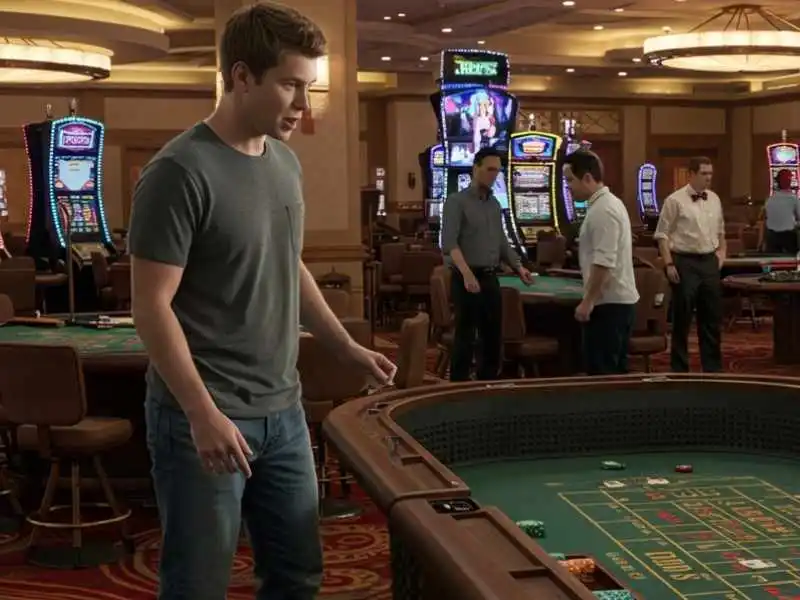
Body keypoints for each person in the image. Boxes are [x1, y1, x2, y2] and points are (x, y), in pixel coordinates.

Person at [127, 4, 397, 600]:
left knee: (298, 575)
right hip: (205, 413)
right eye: (291, 85)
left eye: (309, 86)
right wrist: (201, 413)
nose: (304, 102)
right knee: (198, 585)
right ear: (242, 76)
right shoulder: (177, 171)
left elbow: (287, 263)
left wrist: (344, 346)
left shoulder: (284, 162)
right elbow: (151, 306)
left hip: (284, 412)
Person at [441, 147, 534, 381]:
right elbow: (449, 243)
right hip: (465, 278)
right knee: (466, 337)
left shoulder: (494, 205)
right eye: (490, 169)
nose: (494, 175)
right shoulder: (456, 202)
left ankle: (487, 385)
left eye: (498, 171)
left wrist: (518, 267)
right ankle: (458, 389)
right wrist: (466, 274)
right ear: (476, 168)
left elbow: (502, 242)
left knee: (492, 337)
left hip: (490, 277)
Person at [563, 150, 638, 375]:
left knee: (602, 377)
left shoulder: (603, 211)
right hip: (616, 303)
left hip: (609, 306)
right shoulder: (607, 204)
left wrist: (588, 302)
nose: (568, 187)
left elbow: (603, 262)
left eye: (570, 180)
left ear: (587, 178)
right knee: (613, 376)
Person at [654, 156, 725, 373]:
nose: (708, 178)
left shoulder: (714, 198)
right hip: (684, 261)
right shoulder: (674, 200)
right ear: (691, 174)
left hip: (709, 262)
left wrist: (721, 256)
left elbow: (721, 232)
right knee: (682, 320)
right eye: (704, 173)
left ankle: (712, 370)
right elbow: (662, 235)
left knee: (711, 319)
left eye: (710, 173)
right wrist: (668, 264)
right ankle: (680, 369)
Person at [761, 169, 800, 254]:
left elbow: (764, 220)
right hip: (788, 237)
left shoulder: (769, 200)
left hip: (772, 237)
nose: (789, 181)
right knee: (790, 264)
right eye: (788, 179)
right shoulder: (793, 199)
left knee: (773, 263)